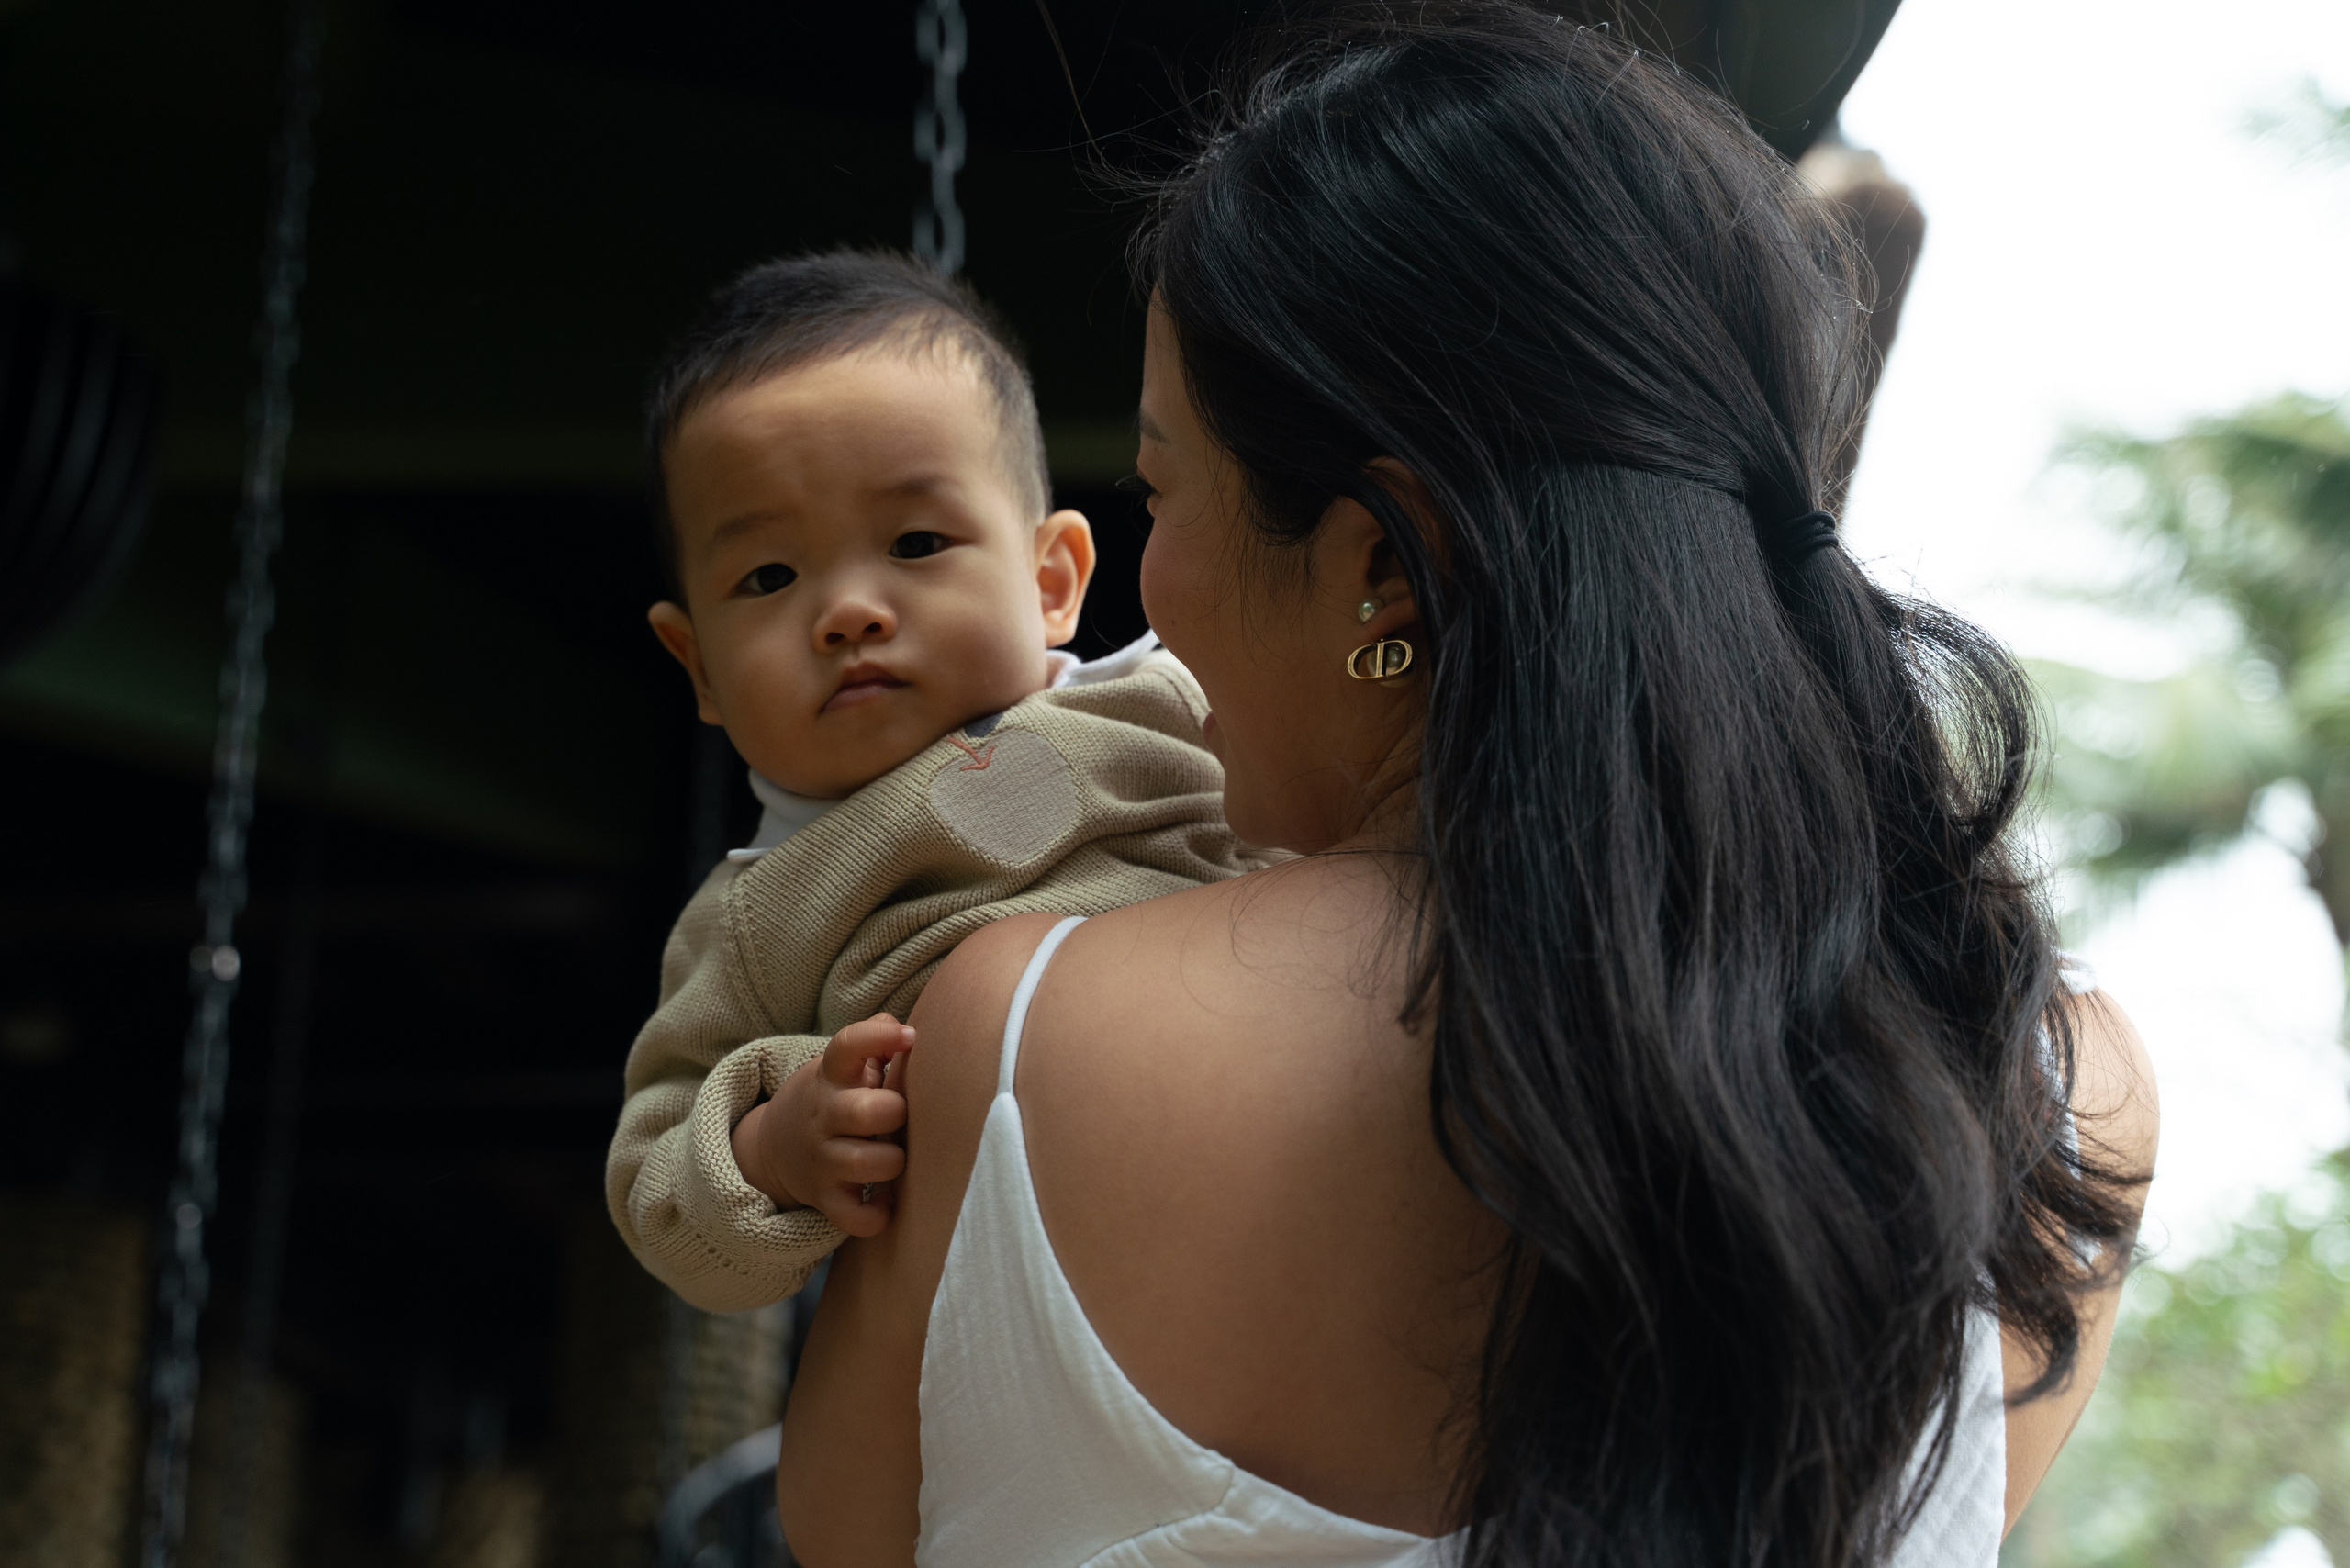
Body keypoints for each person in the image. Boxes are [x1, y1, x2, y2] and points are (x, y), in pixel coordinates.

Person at [774, 7, 2159, 1568]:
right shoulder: (2048, 1097)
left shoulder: (1012, 1039)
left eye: (1160, 490)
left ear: (1382, 565)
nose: (1144, 595)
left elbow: (832, 1527)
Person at [605, 251, 1263, 1312]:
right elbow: (654, 1185)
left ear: (1052, 582)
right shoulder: (761, 913)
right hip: (1010, 1308)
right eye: (769, 576)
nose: (849, 610)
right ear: (699, 668)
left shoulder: (1172, 704)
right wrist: (774, 1141)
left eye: (916, 541)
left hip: (1284, 1165)